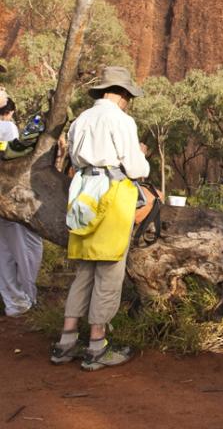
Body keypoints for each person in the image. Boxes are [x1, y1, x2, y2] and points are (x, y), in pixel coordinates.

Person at [51, 66, 149, 371]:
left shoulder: (82, 119)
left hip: (82, 194)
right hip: (112, 195)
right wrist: (143, 155)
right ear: (122, 95)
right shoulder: (121, 120)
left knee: (85, 271)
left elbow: (76, 159)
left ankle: (66, 343)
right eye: (128, 97)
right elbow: (136, 167)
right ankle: (96, 347)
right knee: (108, 271)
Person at [0, 97, 44, 317]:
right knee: (27, 247)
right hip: (9, 196)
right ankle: (27, 297)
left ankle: (14, 302)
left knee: (5, 252)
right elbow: (15, 161)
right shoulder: (7, 127)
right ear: (9, 112)